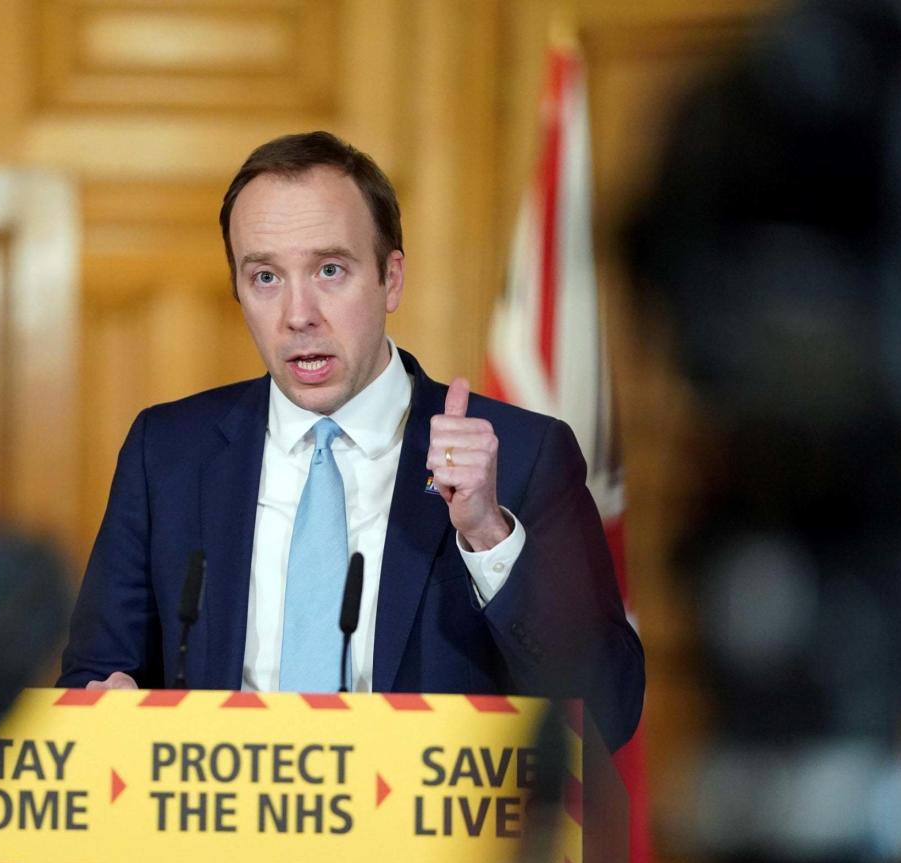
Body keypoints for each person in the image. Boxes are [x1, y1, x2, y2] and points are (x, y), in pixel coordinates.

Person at [58, 131, 643, 751]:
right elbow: (95, 677)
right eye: (264, 277)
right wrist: (106, 706)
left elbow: (606, 711)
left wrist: (488, 536)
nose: (298, 313)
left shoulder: (524, 456)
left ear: (391, 280)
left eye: (330, 270)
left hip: (429, 842)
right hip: (218, 837)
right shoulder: (169, 455)